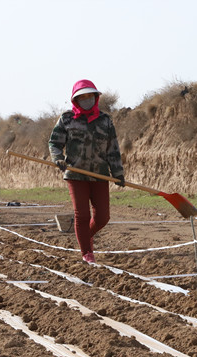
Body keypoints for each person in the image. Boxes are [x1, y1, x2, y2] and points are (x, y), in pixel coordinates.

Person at [48, 79, 125, 263]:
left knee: (103, 217)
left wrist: (118, 173)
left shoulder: (105, 120)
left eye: (90, 96)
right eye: (82, 97)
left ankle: (85, 236)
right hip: (76, 174)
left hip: (99, 174)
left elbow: (112, 148)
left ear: (96, 97)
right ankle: (87, 253)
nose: (87, 99)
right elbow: (54, 143)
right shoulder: (67, 119)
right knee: (82, 215)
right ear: (76, 100)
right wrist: (58, 158)